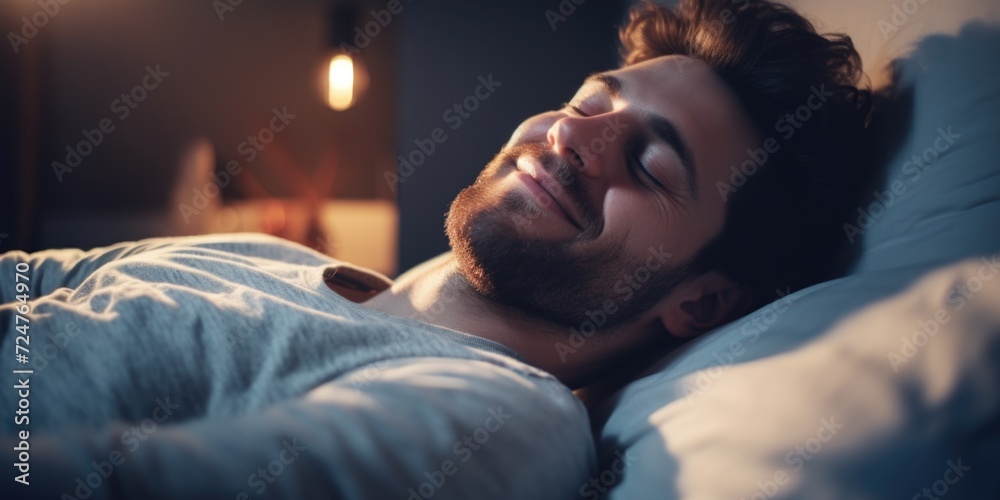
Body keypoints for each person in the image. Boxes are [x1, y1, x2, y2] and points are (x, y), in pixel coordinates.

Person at [1, 0, 872, 497]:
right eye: (590, 99)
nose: (576, 134)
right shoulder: (269, 259)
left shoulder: (501, 416)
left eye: (647, 161)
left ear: (704, 303)